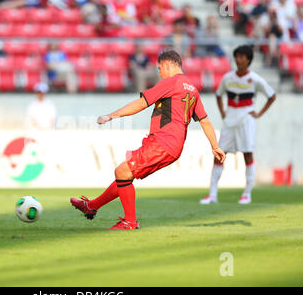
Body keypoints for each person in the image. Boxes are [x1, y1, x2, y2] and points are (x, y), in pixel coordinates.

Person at [70, 50, 226, 230]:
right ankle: (92, 206)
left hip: (163, 142)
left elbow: (141, 103)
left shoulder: (171, 82)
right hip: (171, 145)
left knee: (122, 172)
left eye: (160, 68)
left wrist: (111, 115)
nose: (159, 73)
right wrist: (215, 146)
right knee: (126, 175)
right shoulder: (191, 88)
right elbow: (204, 120)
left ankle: (130, 221)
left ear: (168, 64)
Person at [200, 45, 276, 205]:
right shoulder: (228, 78)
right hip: (230, 120)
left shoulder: (255, 79)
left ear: (248, 60)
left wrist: (259, 113)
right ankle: (212, 194)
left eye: (242, 56)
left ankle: (247, 194)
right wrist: (222, 112)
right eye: (237, 56)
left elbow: (271, 95)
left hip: (246, 120)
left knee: (247, 154)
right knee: (220, 154)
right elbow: (218, 94)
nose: (238, 59)